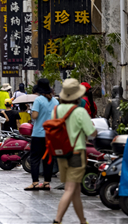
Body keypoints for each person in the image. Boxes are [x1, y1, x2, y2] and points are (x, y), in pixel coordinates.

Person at [52, 79, 97, 224]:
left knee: (75, 189)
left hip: (61, 153)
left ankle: (83, 221)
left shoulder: (56, 110)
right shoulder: (80, 111)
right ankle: (57, 220)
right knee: (70, 188)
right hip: (76, 153)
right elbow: (91, 133)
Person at [25, 78, 57, 191]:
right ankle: (47, 183)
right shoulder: (55, 101)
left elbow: (34, 116)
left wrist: (31, 111)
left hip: (38, 134)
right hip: (51, 135)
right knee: (48, 158)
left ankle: (35, 182)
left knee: (35, 159)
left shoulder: (38, 100)